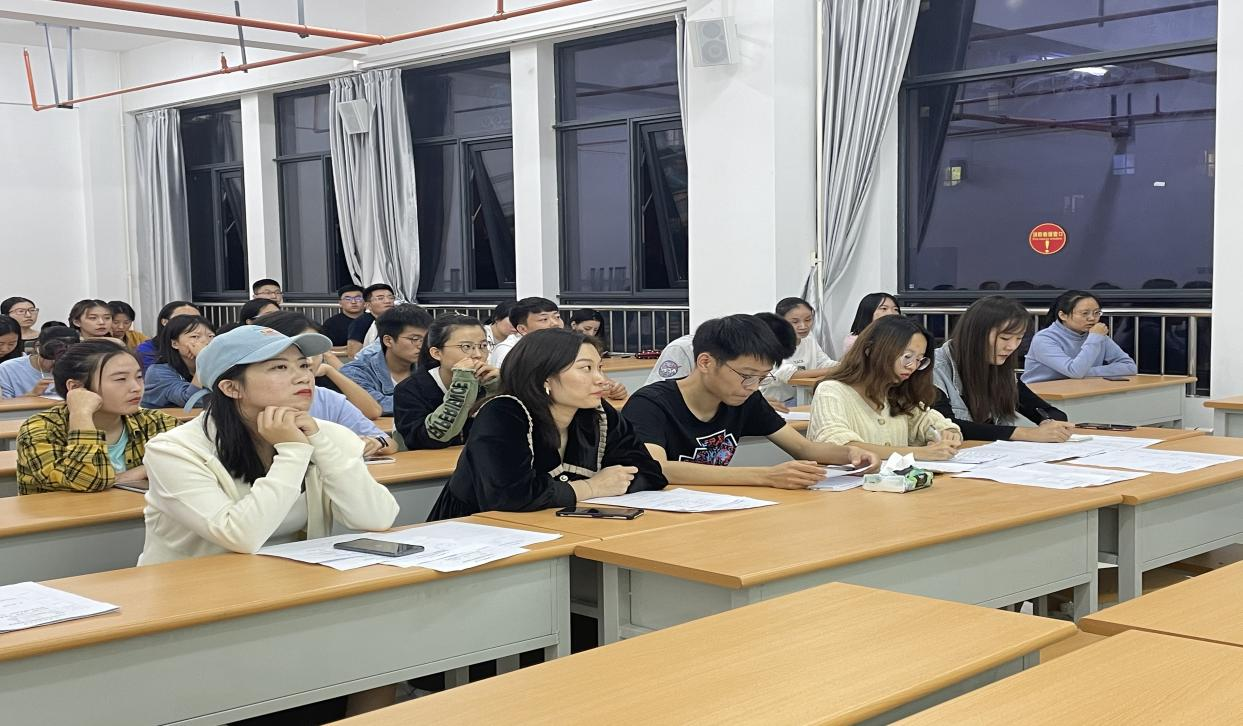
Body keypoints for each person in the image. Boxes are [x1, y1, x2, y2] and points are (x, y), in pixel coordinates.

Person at [139, 324, 399, 564]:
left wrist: (321, 444)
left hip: (290, 583)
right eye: (279, 368)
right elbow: (239, 536)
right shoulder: (174, 450)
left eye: (303, 365)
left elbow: (376, 518)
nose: (304, 377)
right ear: (231, 388)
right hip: (194, 589)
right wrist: (293, 451)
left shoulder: (328, 435)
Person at [429, 328, 666, 519]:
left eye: (599, 368)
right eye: (586, 368)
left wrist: (606, 484)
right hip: (476, 531)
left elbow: (650, 473)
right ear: (545, 377)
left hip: (563, 525)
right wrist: (592, 487)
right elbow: (508, 496)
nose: (601, 380)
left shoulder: (598, 412)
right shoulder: (503, 413)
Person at [622, 315, 878, 488]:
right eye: (746, 375)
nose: (753, 386)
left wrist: (850, 454)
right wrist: (767, 475)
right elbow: (660, 467)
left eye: (762, 378)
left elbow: (804, 448)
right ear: (705, 362)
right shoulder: (650, 404)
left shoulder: (746, 400)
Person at [16, 340, 178, 494]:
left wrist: (129, 475)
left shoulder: (158, 422)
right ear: (75, 387)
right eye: (121, 379)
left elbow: (190, 462)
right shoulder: (41, 429)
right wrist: (81, 414)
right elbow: (86, 480)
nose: (136, 387)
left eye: (139, 377)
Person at [808, 315, 962, 460]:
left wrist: (949, 433)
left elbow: (931, 422)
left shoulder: (895, 392)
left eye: (919, 360)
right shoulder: (831, 391)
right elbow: (838, 446)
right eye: (907, 357)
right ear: (870, 350)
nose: (912, 366)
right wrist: (920, 453)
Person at [932, 296, 1074, 442]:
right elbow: (946, 425)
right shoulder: (934, 367)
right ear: (975, 334)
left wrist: (1050, 424)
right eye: (1005, 338)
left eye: (1019, 338)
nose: (1012, 347)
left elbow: (1047, 411)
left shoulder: (999, 368)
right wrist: (1026, 433)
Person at [255, 312, 395, 455]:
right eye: (281, 366)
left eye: (305, 361)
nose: (309, 361)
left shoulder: (326, 399)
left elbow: (384, 436)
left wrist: (375, 442)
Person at [394, 314, 500, 450]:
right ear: (436, 353)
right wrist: (462, 384)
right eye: (466, 346)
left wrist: (499, 389)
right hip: (430, 462)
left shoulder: (488, 383)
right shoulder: (409, 389)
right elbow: (429, 440)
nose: (478, 354)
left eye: (483, 345)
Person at [1022, 290, 1139, 383]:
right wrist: (1094, 338)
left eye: (1096, 313)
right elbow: (1075, 371)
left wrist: (1086, 372)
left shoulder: (1097, 335)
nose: (1092, 318)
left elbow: (1129, 366)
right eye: (1084, 313)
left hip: (1079, 391)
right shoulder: (1044, 339)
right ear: (1063, 315)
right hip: (1041, 395)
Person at [341, 304, 431, 415]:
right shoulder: (356, 372)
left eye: (426, 339)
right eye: (415, 339)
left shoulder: (431, 367)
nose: (422, 346)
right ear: (388, 340)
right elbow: (376, 405)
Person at [762, 297, 837, 406]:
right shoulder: (772, 342)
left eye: (808, 320)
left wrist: (846, 365)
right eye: (795, 322)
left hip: (803, 399)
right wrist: (833, 370)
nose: (803, 326)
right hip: (776, 403)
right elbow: (790, 375)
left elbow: (823, 362)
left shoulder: (809, 338)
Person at [141, 315, 215, 409]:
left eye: (211, 336)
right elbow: (193, 401)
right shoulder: (157, 372)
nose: (207, 342)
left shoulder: (215, 367)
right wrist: (203, 359)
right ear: (175, 343)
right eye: (195, 336)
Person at [0, 325, 78, 398]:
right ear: (37, 347)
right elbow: (5, 404)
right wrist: (32, 394)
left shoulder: (77, 367)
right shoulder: (8, 369)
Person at [488, 297, 562, 368]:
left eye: (557, 317)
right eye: (544, 319)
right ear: (522, 329)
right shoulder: (509, 352)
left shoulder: (562, 344)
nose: (555, 323)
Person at [135, 301, 200, 371]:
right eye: (183, 320)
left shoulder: (204, 345)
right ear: (164, 322)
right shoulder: (146, 350)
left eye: (197, 319)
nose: (192, 325)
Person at [345, 283, 397, 357]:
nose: (388, 301)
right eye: (380, 298)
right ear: (368, 305)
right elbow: (353, 354)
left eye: (391, 297)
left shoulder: (400, 320)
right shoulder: (361, 322)